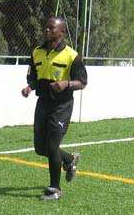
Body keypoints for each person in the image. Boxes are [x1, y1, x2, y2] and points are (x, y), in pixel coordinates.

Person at [21, 17, 87, 200]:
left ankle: (55, 189)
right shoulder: (36, 52)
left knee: (52, 146)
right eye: (46, 27)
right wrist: (29, 87)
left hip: (62, 106)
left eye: (52, 28)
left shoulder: (72, 56)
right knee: (40, 148)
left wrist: (67, 83)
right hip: (43, 103)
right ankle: (69, 159)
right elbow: (34, 77)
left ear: (62, 32)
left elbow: (82, 82)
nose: (47, 30)